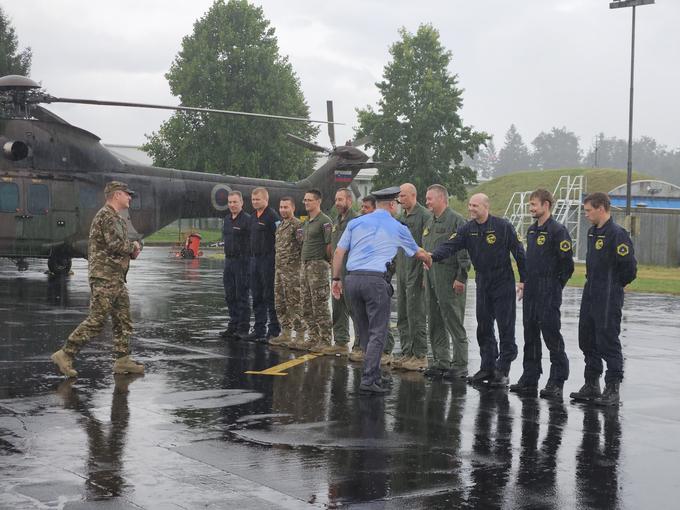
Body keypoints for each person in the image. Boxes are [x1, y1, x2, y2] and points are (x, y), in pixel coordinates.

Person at [332, 187, 430, 394]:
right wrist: (431, 258)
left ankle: (373, 375)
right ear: (392, 205)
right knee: (378, 332)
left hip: (352, 280)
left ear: (376, 204)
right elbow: (417, 253)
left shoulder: (355, 223)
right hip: (375, 282)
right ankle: (368, 380)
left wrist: (336, 278)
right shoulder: (397, 227)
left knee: (364, 330)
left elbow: (339, 251)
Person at [426, 193, 527, 387]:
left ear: (485, 207)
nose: (471, 209)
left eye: (475, 206)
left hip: (502, 281)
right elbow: (450, 245)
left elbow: (519, 252)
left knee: (505, 327)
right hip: (482, 280)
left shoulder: (503, 226)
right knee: (484, 326)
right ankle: (487, 366)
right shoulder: (467, 229)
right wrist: (432, 256)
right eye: (470, 205)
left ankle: (503, 370)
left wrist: (524, 279)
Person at [51, 181, 143, 377]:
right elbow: (115, 244)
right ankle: (65, 353)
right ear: (117, 195)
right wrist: (133, 246)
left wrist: (130, 252)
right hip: (104, 277)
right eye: (127, 194)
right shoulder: (107, 216)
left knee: (123, 319)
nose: (130, 198)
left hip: (115, 277)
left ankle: (122, 360)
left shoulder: (114, 217)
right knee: (97, 320)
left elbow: (116, 246)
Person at [570, 192, 636, 406]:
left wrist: (615, 286)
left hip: (608, 294)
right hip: (591, 292)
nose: (586, 214)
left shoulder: (618, 234)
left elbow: (629, 269)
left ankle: (612, 388)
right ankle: (591, 384)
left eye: (588, 210)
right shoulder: (592, 233)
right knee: (586, 338)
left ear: (601, 208)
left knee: (607, 340)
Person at [510, 189, 574, 400]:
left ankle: (557, 380)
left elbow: (567, 266)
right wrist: (526, 282)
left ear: (546, 205)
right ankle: (530, 377)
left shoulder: (558, 231)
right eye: (530, 205)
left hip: (549, 289)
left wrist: (555, 287)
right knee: (530, 335)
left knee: (551, 335)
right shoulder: (531, 230)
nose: (530, 208)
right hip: (532, 289)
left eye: (534, 205)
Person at [420, 184, 471, 378]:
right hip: (432, 277)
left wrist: (461, 277)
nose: (427, 202)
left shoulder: (456, 220)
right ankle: (441, 361)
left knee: (453, 320)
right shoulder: (430, 222)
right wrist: (426, 278)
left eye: (429, 198)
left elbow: (464, 251)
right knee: (434, 319)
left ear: (441, 198)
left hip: (450, 278)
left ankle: (460, 363)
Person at [348, 194, 396, 365]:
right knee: (363, 319)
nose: (362, 210)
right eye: (362, 207)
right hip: (361, 277)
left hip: (379, 277)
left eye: (366, 208)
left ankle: (385, 350)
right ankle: (367, 351)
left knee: (379, 321)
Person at [392, 183, 431, 372]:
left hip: (416, 270)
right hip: (402, 270)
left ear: (414, 195)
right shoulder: (400, 218)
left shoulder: (424, 216)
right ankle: (407, 352)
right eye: (399, 196)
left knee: (416, 314)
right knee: (403, 314)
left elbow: (427, 246)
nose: (401, 199)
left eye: (404, 196)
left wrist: (425, 274)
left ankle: (420, 354)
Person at [240, 187, 280, 342]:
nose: (255, 202)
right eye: (253, 199)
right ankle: (259, 329)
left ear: (266, 200)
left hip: (268, 260)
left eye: (258, 199)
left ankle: (274, 331)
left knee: (269, 296)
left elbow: (279, 238)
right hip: (254, 260)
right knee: (256, 296)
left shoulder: (272, 216)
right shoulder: (252, 217)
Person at [324, 188, 358, 355]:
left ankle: (360, 344)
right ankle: (340, 341)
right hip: (337, 271)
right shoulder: (336, 221)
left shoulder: (356, 220)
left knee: (354, 308)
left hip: (351, 271)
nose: (337, 203)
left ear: (349, 201)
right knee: (337, 306)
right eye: (336, 200)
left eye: (341, 200)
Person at [300, 189, 333, 352]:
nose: (306, 202)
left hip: (317, 266)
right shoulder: (307, 222)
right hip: (305, 265)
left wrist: (326, 262)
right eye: (305, 200)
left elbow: (329, 245)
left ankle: (326, 339)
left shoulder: (324, 221)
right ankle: (313, 337)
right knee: (306, 304)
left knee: (319, 304)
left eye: (309, 200)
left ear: (318, 202)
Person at [270, 196, 306, 347]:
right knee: (280, 303)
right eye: (281, 207)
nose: (283, 210)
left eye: (286, 207)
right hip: (279, 271)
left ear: (293, 208)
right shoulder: (280, 225)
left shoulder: (298, 225)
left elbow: (303, 246)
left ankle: (300, 334)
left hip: (293, 272)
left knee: (295, 303)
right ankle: (285, 332)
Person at [220, 191, 252, 339]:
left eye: (235, 202)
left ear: (241, 203)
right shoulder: (226, 219)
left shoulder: (247, 220)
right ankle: (233, 325)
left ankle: (243, 328)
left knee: (242, 295)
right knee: (230, 295)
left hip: (242, 261)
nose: (232, 205)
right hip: (229, 261)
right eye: (230, 202)